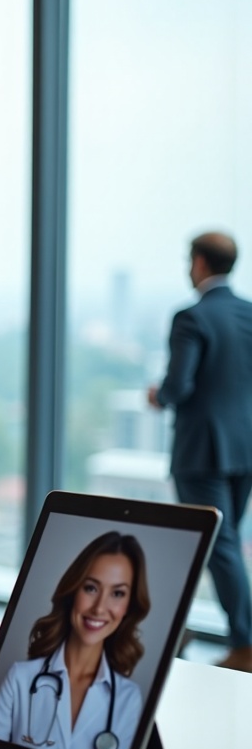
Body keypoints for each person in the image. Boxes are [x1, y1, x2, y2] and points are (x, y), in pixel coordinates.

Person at [148, 231, 252, 673]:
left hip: (202, 449)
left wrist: (159, 396)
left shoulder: (191, 317)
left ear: (201, 263)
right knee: (209, 545)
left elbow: (178, 385)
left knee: (217, 545)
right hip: (245, 446)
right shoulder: (248, 313)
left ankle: (247, 644)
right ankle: (174, 629)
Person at [0, 531, 149, 749]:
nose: (100, 607)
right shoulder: (21, 677)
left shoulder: (128, 698)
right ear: (73, 591)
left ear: (129, 606)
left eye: (117, 593)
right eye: (91, 588)